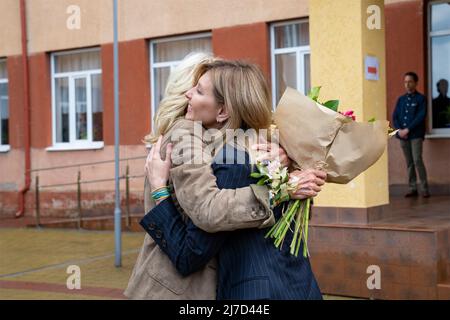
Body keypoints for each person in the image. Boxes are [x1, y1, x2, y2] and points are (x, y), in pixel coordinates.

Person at [125, 54, 325, 299]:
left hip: (256, 288)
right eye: (193, 87)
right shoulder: (199, 140)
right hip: (182, 287)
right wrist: (284, 183)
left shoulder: (239, 156)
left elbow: (193, 249)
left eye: (198, 90)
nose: (190, 94)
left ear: (222, 110)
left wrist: (288, 172)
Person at [393, 71, 430, 198]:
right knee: (409, 162)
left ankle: (424, 189)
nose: (407, 84)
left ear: (416, 83)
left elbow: (421, 116)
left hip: (415, 135)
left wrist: (408, 129)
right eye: (405, 82)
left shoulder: (421, 99)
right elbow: (395, 116)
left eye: (410, 82)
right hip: (403, 136)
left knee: (417, 160)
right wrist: (399, 130)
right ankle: (412, 188)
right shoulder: (401, 100)